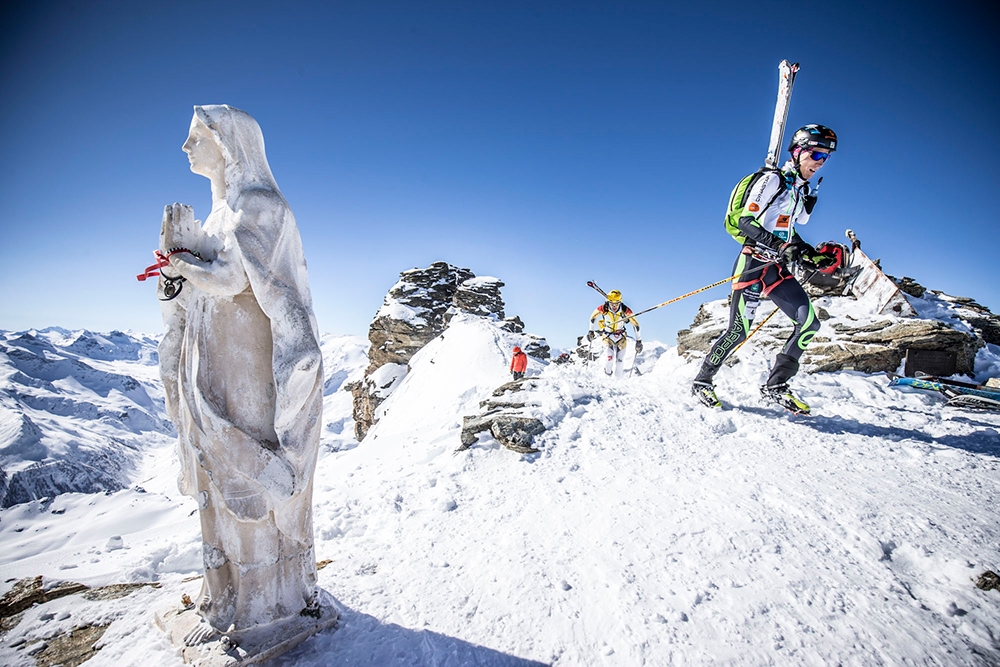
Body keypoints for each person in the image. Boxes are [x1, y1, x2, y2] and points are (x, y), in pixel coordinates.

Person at [157, 105, 325, 641]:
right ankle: (222, 595)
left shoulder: (258, 205)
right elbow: (195, 296)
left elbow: (235, 279)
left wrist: (184, 260)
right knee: (215, 479)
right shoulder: (217, 216)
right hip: (213, 369)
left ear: (228, 143)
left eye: (195, 137)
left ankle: (262, 609)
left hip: (249, 372)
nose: (186, 148)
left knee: (245, 482)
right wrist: (176, 266)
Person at [691, 124, 839, 414]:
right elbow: (747, 222)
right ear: (798, 152)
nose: (820, 163)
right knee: (739, 330)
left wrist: (809, 253)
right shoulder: (772, 180)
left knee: (809, 323)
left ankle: (776, 386)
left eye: (826, 158)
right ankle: (702, 382)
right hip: (753, 262)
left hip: (775, 268)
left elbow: (785, 231)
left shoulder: (798, 190)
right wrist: (784, 248)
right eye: (816, 155)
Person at [587, 290, 642, 377]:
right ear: (608, 302)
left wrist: (639, 341)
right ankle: (607, 376)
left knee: (620, 361)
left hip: (621, 337)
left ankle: (618, 382)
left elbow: (636, 325)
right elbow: (592, 317)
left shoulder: (625, 310)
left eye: (617, 303)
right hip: (607, 336)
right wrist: (591, 331)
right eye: (612, 303)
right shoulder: (604, 308)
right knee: (610, 358)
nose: (614, 306)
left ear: (620, 302)